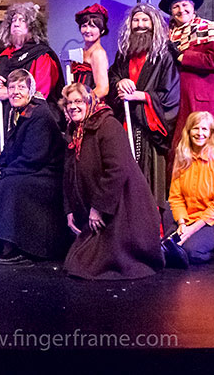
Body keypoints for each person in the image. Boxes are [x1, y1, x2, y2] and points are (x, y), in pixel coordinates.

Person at [61, 82, 164, 279]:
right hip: (100, 210)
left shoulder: (108, 125)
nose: (73, 106)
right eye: (69, 103)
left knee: (87, 265)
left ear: (89, 101)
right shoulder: (75, 130)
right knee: (75, 262)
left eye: (78, 101)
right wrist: (69, 209)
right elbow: (69, 172)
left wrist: (99, 207)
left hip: (122, 208)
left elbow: (117, 169)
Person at [0, 69, 67, 265]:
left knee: (12, 184)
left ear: (31, 90)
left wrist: (6, 173)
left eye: (21, 87)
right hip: (34, 169)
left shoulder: (40, 114)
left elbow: (34, 156)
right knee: (7, 181)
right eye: (12, 87)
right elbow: (9, 149)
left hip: (48, 174)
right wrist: (2, 169)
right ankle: (5, 244)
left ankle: (24, 248)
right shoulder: (19, 113)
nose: (15, 92)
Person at [107, 2, 180, 208]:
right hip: (126, 122)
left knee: (149, 178)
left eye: (145, 20)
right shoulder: (124, 54)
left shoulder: (165, 55)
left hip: (149, 129)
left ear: (154, 23)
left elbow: (170, 95)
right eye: (136, 20)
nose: (140, 25)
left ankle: (151, 222)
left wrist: (142, 96)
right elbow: (113, 76)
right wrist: (119, 83)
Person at [0, 2, 65, 150]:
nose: (16, 24)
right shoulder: (2, 56)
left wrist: (8, 93)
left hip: (34, 122)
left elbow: (41, 91)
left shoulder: (42, 55)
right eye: (14, 20)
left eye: (22, 20)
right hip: (5, 120)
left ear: (33, 26)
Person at [159, 0, 214, 154]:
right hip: (176, 97)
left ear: (193, 7)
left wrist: (182, 56)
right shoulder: (166, 34)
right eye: (175, 6)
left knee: (206, 145)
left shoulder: (209, 28)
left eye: (185, 5)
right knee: (180, 147)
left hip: (201, 97)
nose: (181, 10)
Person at [166, 112, 214, 263]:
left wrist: (192, 230)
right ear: (188, 131)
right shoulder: (182, 159)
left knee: (190, 252)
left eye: (204, 129)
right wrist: (182, 223)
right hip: (189, 218)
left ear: (210, 133)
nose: (200, 133)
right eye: (196, 128)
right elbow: (176, 197)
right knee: (165, 247)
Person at [71, 3, 110, 99]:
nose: (87, 30)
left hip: (91, 105)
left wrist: (82, 102)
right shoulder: (82, 52)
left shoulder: (98, 53)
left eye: (93, 26)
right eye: (84, 26)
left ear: (102, 30)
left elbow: (103, 89)